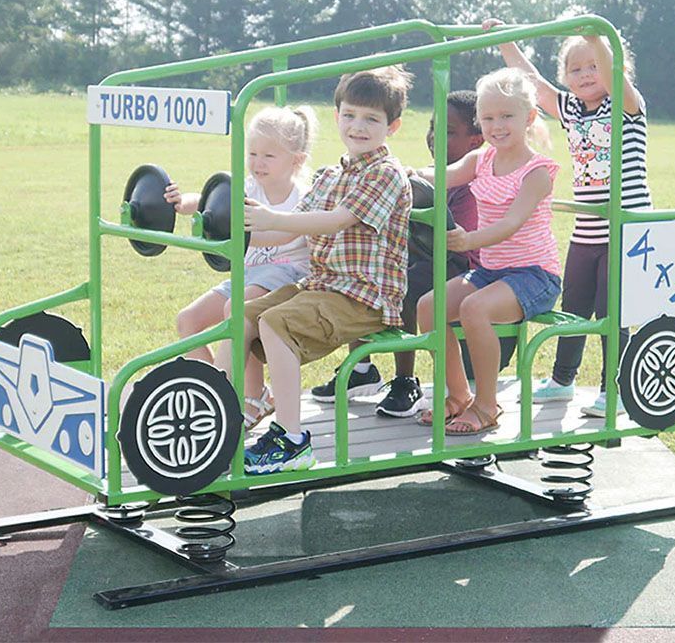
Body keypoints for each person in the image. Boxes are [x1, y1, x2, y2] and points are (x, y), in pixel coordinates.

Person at [213, 65, 413, 474]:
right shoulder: (330, 174)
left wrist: (272, 219)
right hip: (320, 286)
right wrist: (233, 233)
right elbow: (289, 236)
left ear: (392, 126)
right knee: (238, 313)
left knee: (275, 323)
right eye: (350, 115)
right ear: (337, 114)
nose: (358, 126)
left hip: (363, 296)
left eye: (371, 119)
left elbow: (336, 220)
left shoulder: (385, 175)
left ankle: (291, 438)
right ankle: (223, 414)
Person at [310, 91, 518, 417]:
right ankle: (361, 370)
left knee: (405, 283)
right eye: (433, 127)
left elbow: (457, 241)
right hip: (432, 257)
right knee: (368, 269)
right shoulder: (422, 176)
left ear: (476, 140)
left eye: (448, 132)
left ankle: (405, 380)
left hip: (464, 264)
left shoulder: (471, 183)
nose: (435, 137)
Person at [483, 18, 651, 416]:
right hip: (588, 226)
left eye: (593, 65)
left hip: (625, 226)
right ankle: (562, 379)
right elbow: (535, 85)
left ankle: (618, 388)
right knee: (574, 303)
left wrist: (597, 38)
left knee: (613, 310)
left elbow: (612, 75)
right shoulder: (572, 109)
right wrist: (506, 40)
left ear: (615, 68)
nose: (585, 75)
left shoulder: (626, 105)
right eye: (575, 69)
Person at [416, 68, 561, 435]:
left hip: (534, 276)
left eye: (507, 116)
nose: (497, 126)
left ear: (528, 118)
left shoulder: (537, 172)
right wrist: (400, 172)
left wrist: (469, 241)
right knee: (428, 308)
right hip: (492, 272)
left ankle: (486, 404)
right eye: (489, 118)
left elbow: (511, 224)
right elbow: (436, 175)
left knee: (473, 309)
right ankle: (459, 394)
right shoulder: (480, 161)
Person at [164, 105, 317, 430]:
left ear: (297, 159)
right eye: (253, 153)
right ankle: (221, 394)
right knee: (188, 321)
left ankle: (243, 399)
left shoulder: (304, 197)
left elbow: (281, 232)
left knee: (237, 309)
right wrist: (184, 204)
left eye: (268, 156)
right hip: (249, 274)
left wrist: (238, 236)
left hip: (288, 273)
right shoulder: (249, 188)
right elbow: (211, 200)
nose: (257, 162)